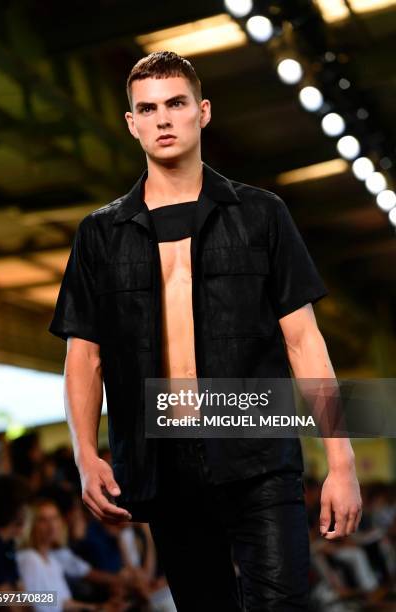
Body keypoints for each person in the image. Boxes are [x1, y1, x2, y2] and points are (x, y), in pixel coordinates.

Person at [49, 50, 363, 610]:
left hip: (258, 449)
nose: (163, 119)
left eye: (176, 104)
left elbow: (304, 342)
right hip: (162, 460)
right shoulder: (99, 234)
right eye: (147, 108)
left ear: (204, 111)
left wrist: (341, 463)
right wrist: (84, 453)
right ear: (132, 123)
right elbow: (84, 356)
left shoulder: (262, 214)